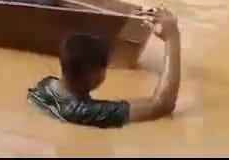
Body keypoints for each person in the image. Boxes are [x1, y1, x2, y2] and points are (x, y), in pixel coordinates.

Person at [27, 8, 181, 128]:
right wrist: (172, 37)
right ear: (94, 75)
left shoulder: (44, 86)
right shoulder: (87, 112)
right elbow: (162, 104)